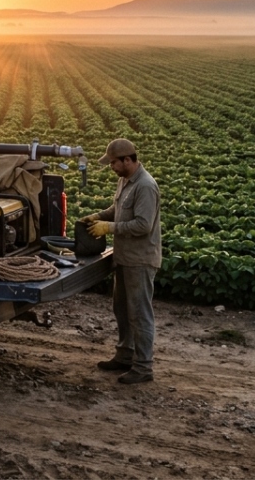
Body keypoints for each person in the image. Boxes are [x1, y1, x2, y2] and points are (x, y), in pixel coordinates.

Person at [81, 138, 161, 385]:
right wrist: (99, 216)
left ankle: (143, 367)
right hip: (124, 258)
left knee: (139, 313)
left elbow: (143, 225)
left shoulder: (146, 186)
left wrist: (109, 227)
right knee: (122, 309)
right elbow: (118, 210)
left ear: (128, 160)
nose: (111, 167)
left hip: (140, 259)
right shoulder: (125, 181)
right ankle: (125, 356)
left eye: (114, 162)